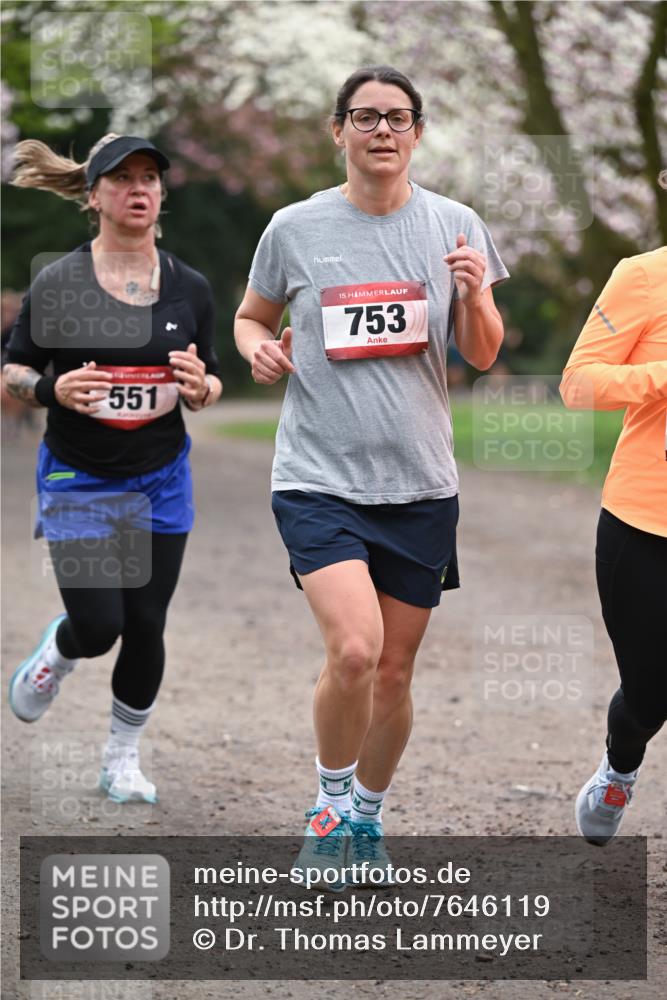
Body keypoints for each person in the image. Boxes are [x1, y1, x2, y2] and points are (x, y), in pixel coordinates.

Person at [235, 66, 508, 888]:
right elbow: (251, 318)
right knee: (354, 651)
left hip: (419, 483)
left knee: (395, 670)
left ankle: (366, 819)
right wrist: (260, 350)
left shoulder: (455, 225)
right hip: (317, 475)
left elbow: (483, 352)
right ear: (338, 130)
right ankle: (325, 813)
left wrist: (471, 296)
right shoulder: (294, 227)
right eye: (364, 117)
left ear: (417, 133)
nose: (381, 130)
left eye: (397, 118)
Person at [4, 134, 222, 803]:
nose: (139, 188)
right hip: (80, 475)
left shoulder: (189, 288)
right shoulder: (61, 281)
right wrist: (49, 391)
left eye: (150, 177)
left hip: (160, 475)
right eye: (123, 178)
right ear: (93, 196)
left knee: (147, 623)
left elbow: (210, 380)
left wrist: (200, 387)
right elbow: (13, 370)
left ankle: (121, 760)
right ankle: (60, 651)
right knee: (101, 627)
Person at [560, 181, 666, 845]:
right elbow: (579, 383)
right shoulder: (642, 276)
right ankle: (618, 767)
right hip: (642, 524)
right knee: (650, 693)